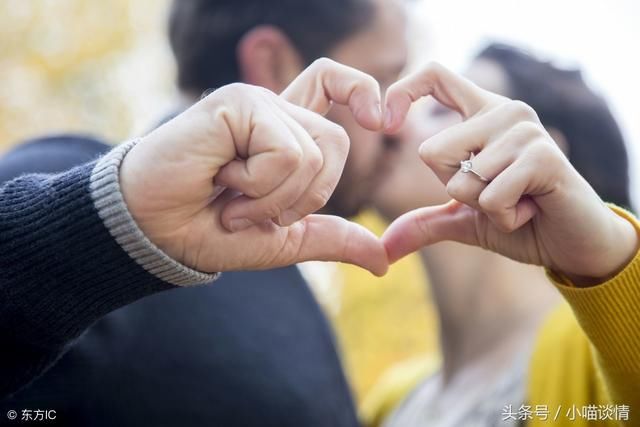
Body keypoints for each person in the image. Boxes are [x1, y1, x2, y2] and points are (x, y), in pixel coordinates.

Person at [0, 60, 389, 426]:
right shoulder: (55, 168)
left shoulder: (280, 271)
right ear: (271, 59)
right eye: (385, 76)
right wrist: (109, 216)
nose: (395, 129)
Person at [365, 48, 639, 426]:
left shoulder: (596, 357)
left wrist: (609, 260)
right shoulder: (390, 400)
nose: (392, 129)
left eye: (440, 111)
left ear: (535, 160)